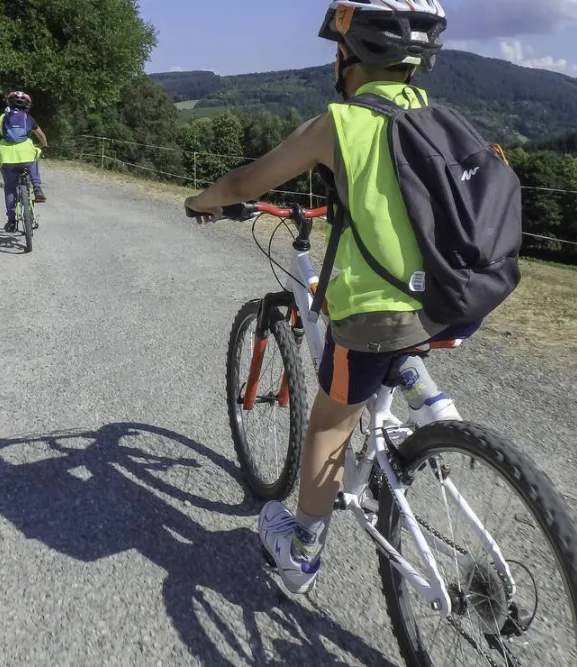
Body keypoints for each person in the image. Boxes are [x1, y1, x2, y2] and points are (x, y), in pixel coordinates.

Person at [185, 0, 468, 595]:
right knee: (397, 344)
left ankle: (301, 552)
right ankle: (427, 396)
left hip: (375, 310)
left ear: (352, 52)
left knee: (328, 422)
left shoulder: (339, 123)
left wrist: (200, 201)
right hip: (449, 296)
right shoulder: (436, 118)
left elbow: (243, 184)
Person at [0, 91, 49, 233]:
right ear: (27, 105)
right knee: (33, 155)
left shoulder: (2, 118)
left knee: (10, 187)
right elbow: (41, 136)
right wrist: (43, 145)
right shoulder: (29, 118)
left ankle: (11, 221)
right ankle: (37, 188)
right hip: (26, 154)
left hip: (6, 156)